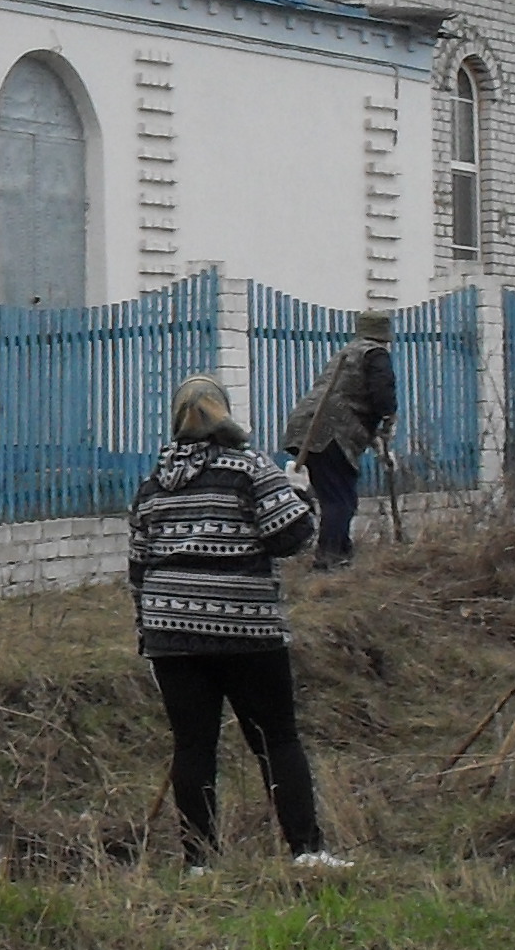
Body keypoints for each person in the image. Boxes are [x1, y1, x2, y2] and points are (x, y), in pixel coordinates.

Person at [131, 374, 349, 872]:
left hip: (171, 634)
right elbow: (291, 538)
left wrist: (150, 631)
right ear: (223, 413)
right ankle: (307, 851)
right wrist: (301, 494)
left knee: (193, 746)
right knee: (277, 739)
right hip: (246, 630)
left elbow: (138, 565)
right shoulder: (251, 468)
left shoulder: (152, 482)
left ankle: (200, 862)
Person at [282, 312, 398, 568]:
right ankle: (330, 558)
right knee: (340, 499)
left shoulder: (346, 353)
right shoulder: (375, 354)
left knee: (334, 495)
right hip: (331, 432)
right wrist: (388, 420)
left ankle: (338, 551)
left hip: (305, 424)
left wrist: (375, 438)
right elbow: (382, 395)